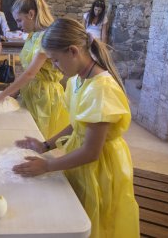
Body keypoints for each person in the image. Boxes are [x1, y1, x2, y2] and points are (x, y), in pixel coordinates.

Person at [13, 18, 139, 237]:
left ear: (73, 51)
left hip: (100, 166)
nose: (53, 66)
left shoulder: (101, 89)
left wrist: (47, 166)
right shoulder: (76, 80)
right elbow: (77, 123)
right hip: (79, 156)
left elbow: (91, 152)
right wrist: (45, 145)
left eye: (55, 60)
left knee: (95, 219)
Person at [0, 0, 69, 140]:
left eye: (19, 20)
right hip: (31, 92)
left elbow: (30, 73)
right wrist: (16, 91)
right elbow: (27, 70)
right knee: (25, 134)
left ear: (31, 14)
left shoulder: (46, 36)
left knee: (39, 138)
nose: (18, 25)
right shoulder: (33, 36)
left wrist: (3, 93)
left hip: (45, 96)